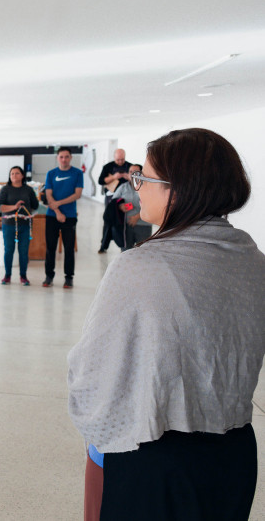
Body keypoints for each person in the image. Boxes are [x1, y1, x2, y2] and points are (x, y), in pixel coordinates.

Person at [68, 128, 264, 520]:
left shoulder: (140, 265)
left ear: (178, 190)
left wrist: (98, 436)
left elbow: (92, 371)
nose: (137, 186)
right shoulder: (252, 258)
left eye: (145, 178)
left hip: (155, 454)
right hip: (234, 453)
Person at [42, 148, 83, 289]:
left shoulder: (77, 173)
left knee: (69, 248)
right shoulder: (51, 174)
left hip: (70, 216)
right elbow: (48, 195)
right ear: (57, 158)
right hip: (52, 216)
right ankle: (49, 276)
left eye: (66, 157)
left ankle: (69, 277)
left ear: (71, 157)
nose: (64, 159)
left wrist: (58, 204)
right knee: (50, 247)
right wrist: (58, 211)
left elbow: (77, 194)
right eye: (61, 157)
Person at [0, 166, 40, 285]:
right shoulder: (5, 189)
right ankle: (7, 275)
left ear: (22, 175)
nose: (14, 176)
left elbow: (35, 205)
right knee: (9, 250)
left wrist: (26, 211)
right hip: (9, 225)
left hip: (25, 225)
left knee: (23, 251)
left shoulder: (28, 190)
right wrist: (14, 207)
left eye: (17, 173)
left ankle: (23, 276)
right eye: (12, 174)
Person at [96, 149, 131, 253]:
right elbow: (100, 181)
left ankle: (124, 245)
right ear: (114, 157)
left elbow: (138, 179)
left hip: (127, 199)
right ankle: (103, 245)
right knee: (109, 220)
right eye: (118, 160)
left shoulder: (130, 166)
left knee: (124, 220)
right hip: (111, 199)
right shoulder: (107, 167)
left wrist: (128, 177)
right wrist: (113, 177)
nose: (120, 161)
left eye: (122, 159)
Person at [110, 164, 152, 250]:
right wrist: (120, 206)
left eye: (136, 172)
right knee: (125, 252)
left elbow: (152, 206)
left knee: (143, 252)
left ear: (142, 174)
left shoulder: (148, 188)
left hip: (143, 225)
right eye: (130, 172)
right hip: (126, 226)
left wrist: (137, 217)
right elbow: (113, 202)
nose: (132, 174)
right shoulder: (123, 187)